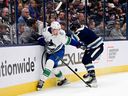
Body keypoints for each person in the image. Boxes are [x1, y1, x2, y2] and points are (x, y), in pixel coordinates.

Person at [36, 21, 82, 91]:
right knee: (53, 68)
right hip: (49, 52)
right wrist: (43, 42)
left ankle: (42, 81)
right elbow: (39, 38)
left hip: (59, 51)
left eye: (58, 29)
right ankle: (63, 80)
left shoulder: (61, 34)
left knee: (50, 63)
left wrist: (78, 44)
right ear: (51, 29)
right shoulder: (45, 31)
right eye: (55, 30)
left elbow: (70, 41)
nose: (57, 32)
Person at [70, 21, 104, 87]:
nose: (73, 31)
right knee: (84, 60)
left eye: (73, 29)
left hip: (97, 47)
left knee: (87, 60)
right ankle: (90, 73)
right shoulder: (83, 28)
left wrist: (80, 45)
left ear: (76, 28)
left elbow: (78, 42)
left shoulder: (80, 33)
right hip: (92, 47)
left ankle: (93, 78)